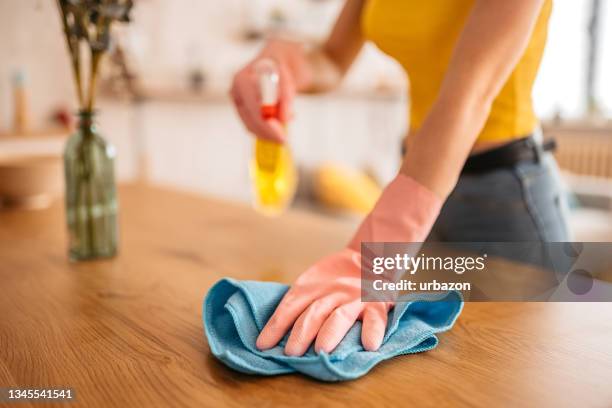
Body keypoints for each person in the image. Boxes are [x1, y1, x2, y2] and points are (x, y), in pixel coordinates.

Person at [230, 0, 570, 357]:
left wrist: (369, 259)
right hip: (422, 179)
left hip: (504, 195)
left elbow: (468, 99)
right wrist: (287, 63)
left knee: (523, 364)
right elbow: (331, 59)